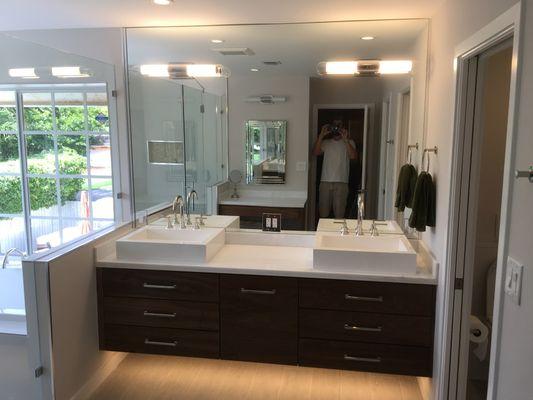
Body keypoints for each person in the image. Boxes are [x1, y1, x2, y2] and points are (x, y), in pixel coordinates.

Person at [313, 119, 358, 218]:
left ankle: (338, 233)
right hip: (325, 181)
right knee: (323, 214)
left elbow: (353, 156)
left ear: (343, 127)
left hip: (341, 182)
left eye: (339, 126)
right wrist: (321, 135)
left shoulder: (350, 142)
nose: (336, 128)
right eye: (334, 126)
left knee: (339, 215)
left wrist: (345, 139)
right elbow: (315, 152)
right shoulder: (325, 142)